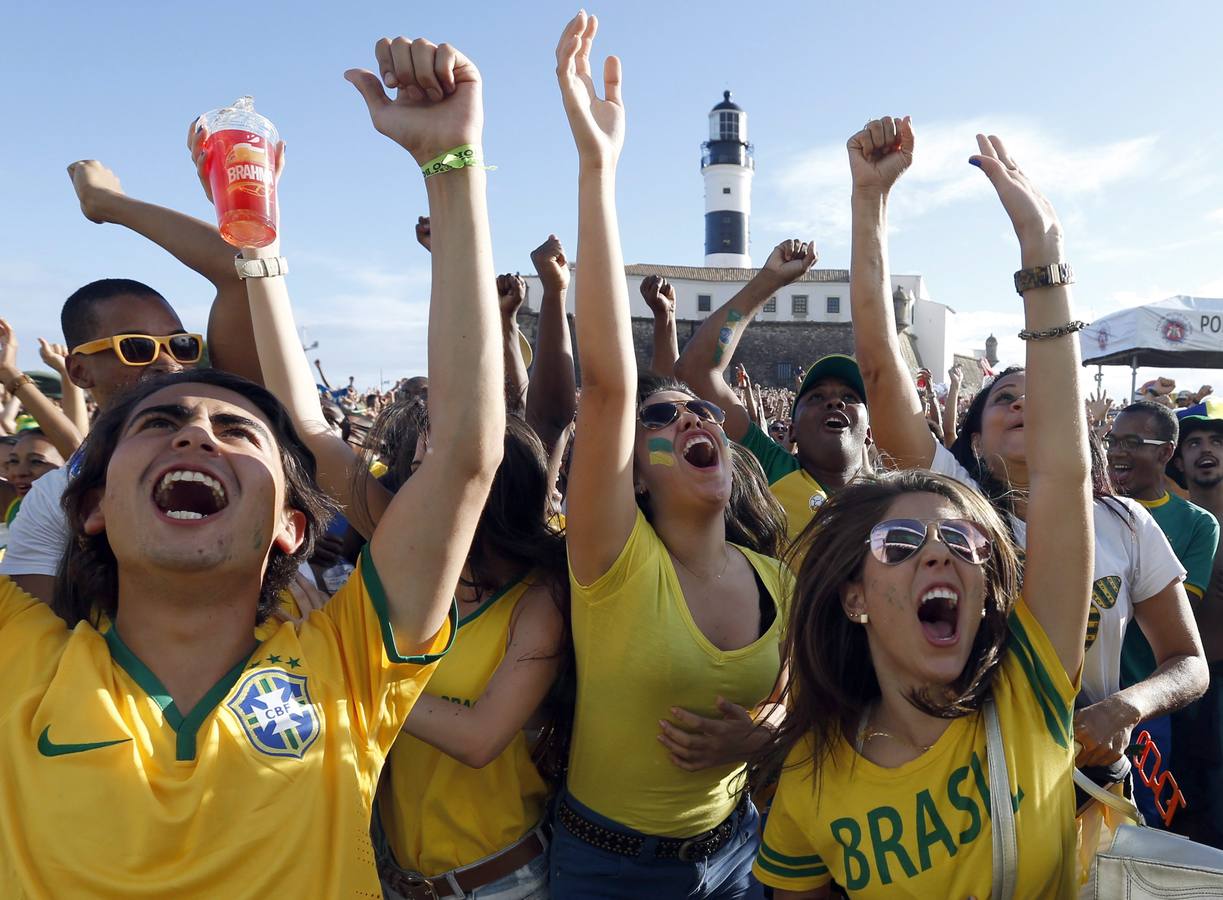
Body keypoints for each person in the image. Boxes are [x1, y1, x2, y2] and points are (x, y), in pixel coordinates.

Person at [0, 32, 505, 896]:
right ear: (88, 506)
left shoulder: (353, 664)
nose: (196, 431)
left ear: (290, 525)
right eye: (158, 423)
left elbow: (462, 455)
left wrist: (452, 165)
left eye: (239, 433)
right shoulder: (19, 658)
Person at [752, 128, 1091, 900]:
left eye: (964, 541)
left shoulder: (1029, 685)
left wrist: (1042, 256)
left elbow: (1062, 474)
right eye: (899, 543)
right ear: (852, 596)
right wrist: (866, 201)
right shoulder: (808, 776)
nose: (939, 555)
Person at [846, 115, 1207, 779]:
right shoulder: (950, 508)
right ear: (973, 444)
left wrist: (1124, 707)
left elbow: (1187, 662)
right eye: (1000, 399)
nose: (1018, 401)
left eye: (1032, 392)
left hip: (1087, 777)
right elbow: (876, 367)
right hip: (957, 774)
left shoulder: (1124, 523)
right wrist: (868, 202)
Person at [550, 14, 789, 897]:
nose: (693, 417)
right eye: (665, 417)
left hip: (740, 856)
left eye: (701, 410)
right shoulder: (610, 560)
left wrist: (766, 733)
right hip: (605, 867)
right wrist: (598, 166)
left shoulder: (779, 580)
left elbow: (803, 694)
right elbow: (608, 388)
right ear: (630, 469)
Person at [676, 240, 872, 544]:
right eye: (817, 397)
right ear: (791, 432)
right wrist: (769, 280)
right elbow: (695, 371)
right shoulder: (770, 468)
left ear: (870, 433)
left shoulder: (895, 498)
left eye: (850, 398)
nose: (835, 401)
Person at [1106, 401, 1220, 823]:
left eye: (1133, 442)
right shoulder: (1091, 510)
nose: (1117, 451)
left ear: (1165, 452)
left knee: (1139, 820)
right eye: (1113, 440)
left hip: (1145, 704)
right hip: (1076, 699)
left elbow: (1176, 614)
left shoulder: (1197, 524)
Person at [5, 429, 64, 524]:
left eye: (36, 461)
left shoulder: (77, 512)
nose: (19, 472)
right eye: (14, 461)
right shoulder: (16, 507)